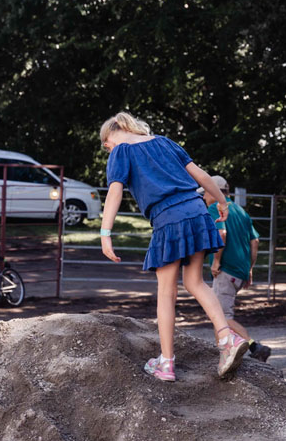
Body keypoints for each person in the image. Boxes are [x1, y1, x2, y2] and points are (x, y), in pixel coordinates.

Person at [99, 112, 248, 382]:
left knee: (166, 292)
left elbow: (115, 191)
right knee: (195, 282)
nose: (107, 149)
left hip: (168, 218)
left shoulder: (121, 151)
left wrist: (105, 232)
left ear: (111, 136)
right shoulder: (164, 142)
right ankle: (227, 338)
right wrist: (221, 202)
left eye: (105, 145)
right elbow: (201, 175)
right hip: (196, 211)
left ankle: (166, 364)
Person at [202, 174, 272, 362]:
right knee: (219, 314)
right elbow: (255, 241)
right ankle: (224, 353)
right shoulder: (241, 212)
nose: (204, 197)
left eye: (205, 192)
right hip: (239, 272)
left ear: (213, 191)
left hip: (226, 270)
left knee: (221, 317)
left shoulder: (215, 208)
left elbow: (222, 234)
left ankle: (253, 347)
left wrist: (216, 261)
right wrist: (250, 268)